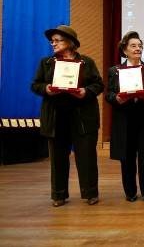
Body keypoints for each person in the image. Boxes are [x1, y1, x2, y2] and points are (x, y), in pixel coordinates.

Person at [31, 25, 104, 207]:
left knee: (86, 157)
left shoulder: (87, 62)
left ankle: (90, 193)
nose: (53, 43)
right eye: (52, 41)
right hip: (57, 118)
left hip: (83, 118)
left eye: (57, 40)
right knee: (57, 159)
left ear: (70, 43)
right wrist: (46, 89)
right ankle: (59, 195)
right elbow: (35, 84)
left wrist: (85, 92)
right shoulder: (45, 63)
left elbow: (98, 84)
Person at [105, 31, 144, 203]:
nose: (138, 49)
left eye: (140, 46)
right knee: (127, 157)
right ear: (124, 50)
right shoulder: (115, 71)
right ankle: (130, 192)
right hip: (124, 118)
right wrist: (116, 98)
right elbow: (109, 94)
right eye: (133, 46)